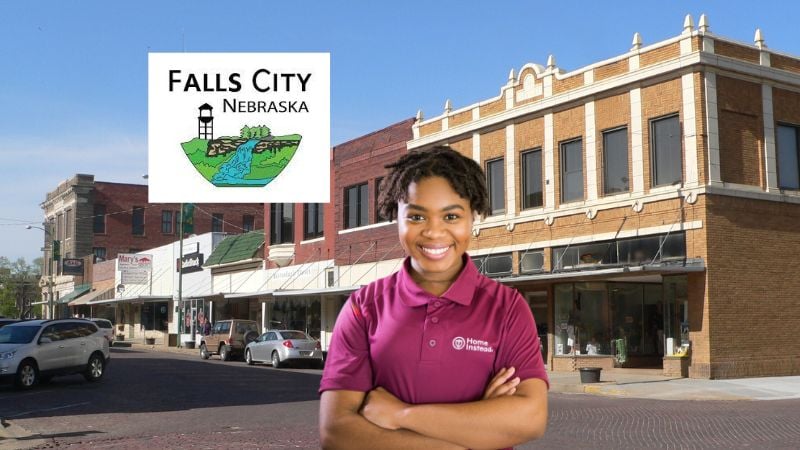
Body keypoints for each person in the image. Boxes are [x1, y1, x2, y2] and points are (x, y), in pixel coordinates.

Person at [319, 146, 549, 450]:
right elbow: (337, 433)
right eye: (416, 216)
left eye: (451, 216)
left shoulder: (507, 308)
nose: (434, 232)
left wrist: (401, 414)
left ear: (473, 217)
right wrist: (478, 428)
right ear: (395, 217)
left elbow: (530, 419)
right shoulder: (364, 308)